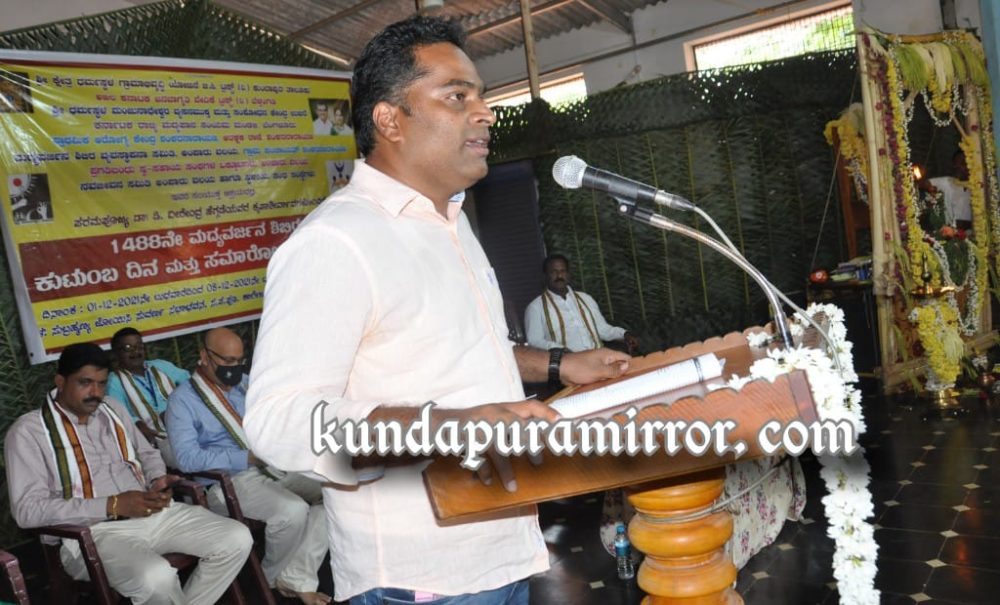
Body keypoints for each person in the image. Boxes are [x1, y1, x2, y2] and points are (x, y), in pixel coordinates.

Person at [245, 14, 630, 605]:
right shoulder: (337, 242)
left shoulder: (450, 222)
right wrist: (453, 426)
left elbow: (463, 350)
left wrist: (559, 365)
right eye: (457, 96)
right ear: (389, 120)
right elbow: (279, 422)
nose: (485, 112)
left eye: (481, 95)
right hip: (423, 575)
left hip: (502, 546)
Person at [4, 342, 252, 605]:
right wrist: (112, 505)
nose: (95, 392)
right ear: (60, 381)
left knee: (236, 538)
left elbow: (147, 453)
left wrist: (157, 479)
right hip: (93, 534)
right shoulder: (29, 432)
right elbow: (27, 511)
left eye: (102, 383)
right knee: (155, 578)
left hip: (152, 513)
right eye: (85, 383)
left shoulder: (112, 409)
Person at [166, 328, 331, 605]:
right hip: (228, 481)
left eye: (239, 360)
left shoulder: (246, 384)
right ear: (204, 356)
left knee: (336, 492)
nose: (234, 368)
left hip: (275, 466)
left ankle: (296, 575)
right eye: (227, 361)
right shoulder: (182, 401)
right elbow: (187, 458)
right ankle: (269, 580)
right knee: (292, 511)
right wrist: (246, 458)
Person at [106, 327, 190, 467]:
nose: (136, 352)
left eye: (139, 346)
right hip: (158, 438)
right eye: (128, 348)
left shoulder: (160, 366)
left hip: (188, 425)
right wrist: (140, 426)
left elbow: (190, 383)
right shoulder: (114, 381)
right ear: (116, 353)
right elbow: (119, 415)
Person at [524, 254, 639, 354]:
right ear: (545, 276)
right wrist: (559, 349)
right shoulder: (535, 307)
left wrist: (624, 334)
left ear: (568, 274)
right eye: (553, 272)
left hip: (599, 357)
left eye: (563, 271)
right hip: (568, 364)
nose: (559, 276)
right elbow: (534, 341)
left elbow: (602, 329)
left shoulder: (586, 299)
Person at [926, 149, 973, 230]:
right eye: (956, 164)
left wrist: (967, 224)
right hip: (949, 233)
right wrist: (931, 192)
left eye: (963, 163)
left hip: (971, 234)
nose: (958, 167)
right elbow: (925, 184)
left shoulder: (977, 187)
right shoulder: (947, 182)